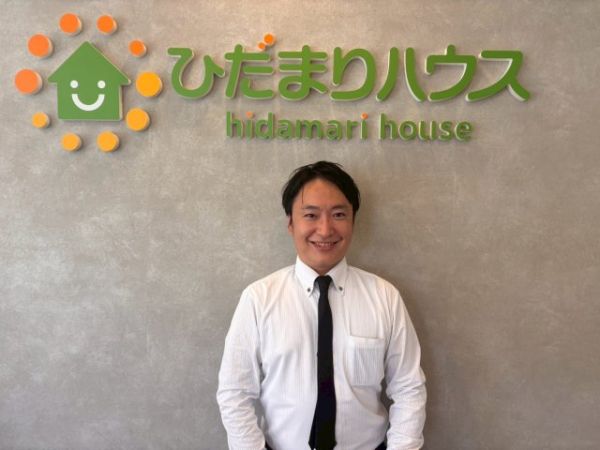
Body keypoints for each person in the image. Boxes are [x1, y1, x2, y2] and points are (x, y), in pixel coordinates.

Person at [217, 161, 426, 450]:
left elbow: (408, 388)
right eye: (311, 215)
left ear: (353, 221)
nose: (325, 230)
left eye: (338, 214)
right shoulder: (258, 298)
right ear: (291, 223)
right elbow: (235, 393)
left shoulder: (384, 296)